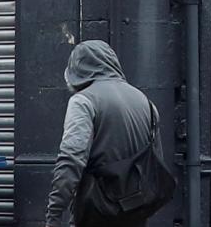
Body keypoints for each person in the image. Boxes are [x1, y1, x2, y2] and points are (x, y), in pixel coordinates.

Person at [46, 41, 173, 227]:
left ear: (77, 70)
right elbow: (156, 163)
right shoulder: (147, 103)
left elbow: (71, 159)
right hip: (136, 211)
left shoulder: (83, 101)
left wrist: (54, 215)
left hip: (96, 212)